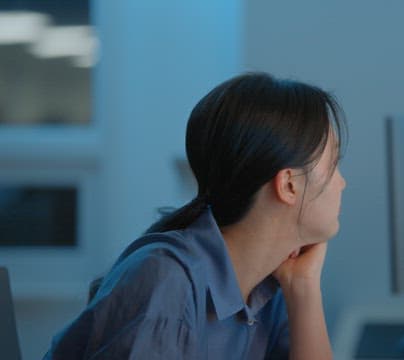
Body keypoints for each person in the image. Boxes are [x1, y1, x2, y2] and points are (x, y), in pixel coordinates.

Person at [44, 72, 347, 359]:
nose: (342, 182)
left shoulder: (269, 286)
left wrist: (304, 289)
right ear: (289, 185)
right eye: (334, 164)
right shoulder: (165, 281)